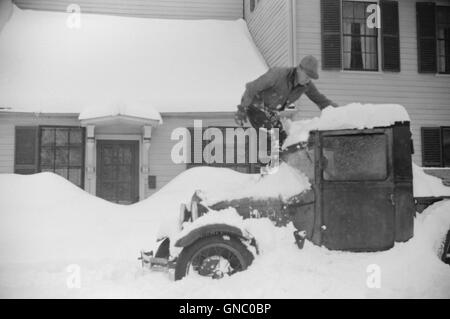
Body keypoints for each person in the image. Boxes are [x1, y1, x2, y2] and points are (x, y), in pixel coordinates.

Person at [235, 55, 338, 146]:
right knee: (270, 134)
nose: (308, 79)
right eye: (307, 75)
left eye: (310, 78)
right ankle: (263, 163)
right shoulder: (277, 74)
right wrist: (242, 109)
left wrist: (340, 112)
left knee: (283, 140)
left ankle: (282, 165)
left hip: (270, 111)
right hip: (255, 105)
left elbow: (320, 100)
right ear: (299, 69)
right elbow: (251, 88)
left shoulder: (306, 86)